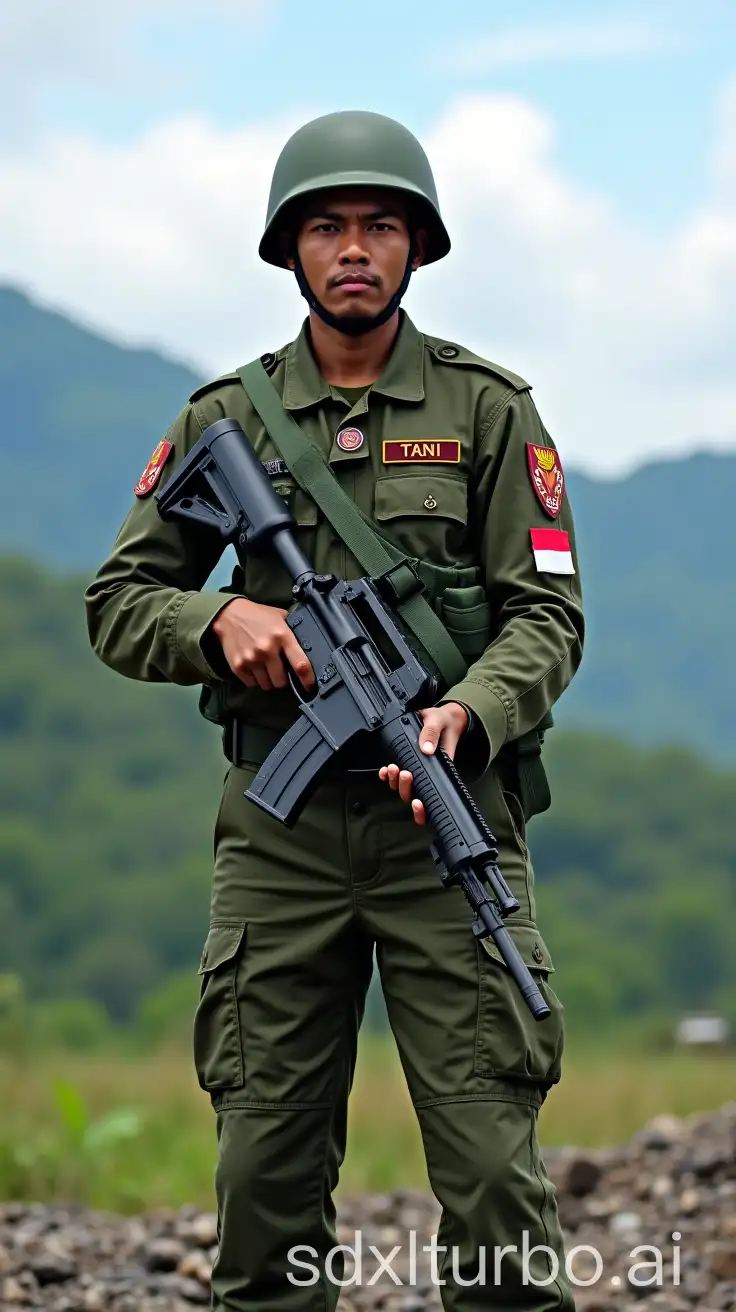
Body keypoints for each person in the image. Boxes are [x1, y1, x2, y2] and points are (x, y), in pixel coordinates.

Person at [85, 110, 584, 1311]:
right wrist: (221, 625)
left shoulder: (485, 412)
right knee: (263, 1183)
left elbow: (547, 620)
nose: (353, 247)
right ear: (290, 249)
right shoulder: (227, 422)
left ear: (416, 247)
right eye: (326, 225)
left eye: (378, 226)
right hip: (282, 842)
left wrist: (466, 711)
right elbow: (118, 601)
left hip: (442, 823)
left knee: (490, 1184)